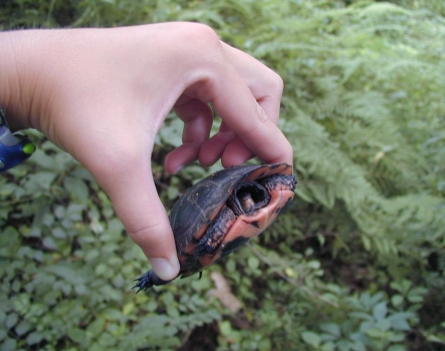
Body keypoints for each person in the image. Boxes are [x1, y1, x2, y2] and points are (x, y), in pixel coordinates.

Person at [0, 22, 293, 282]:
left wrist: (24, 76)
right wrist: (26, 80)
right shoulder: (231, 211)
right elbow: (211, 232)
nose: (251, 198)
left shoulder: (265, 189)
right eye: (247, 195)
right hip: (208, 224)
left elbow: (278, 183)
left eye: (252, 195)